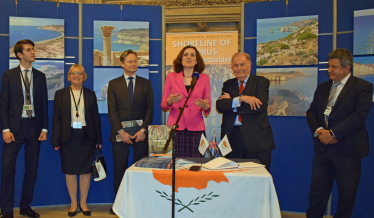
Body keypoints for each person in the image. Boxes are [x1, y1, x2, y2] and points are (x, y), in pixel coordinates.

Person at [306, 48, 373, 218]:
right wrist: (320, 131)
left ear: (347, 68)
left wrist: (333, 134)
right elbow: (311, 112)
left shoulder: (363, 87)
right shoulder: (323, 87)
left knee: (346, 196)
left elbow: (359, 116)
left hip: (348, 151)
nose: (329, 70)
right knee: (317, 194)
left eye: (334, 67)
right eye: (329, 66)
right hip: (322, 150)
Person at [0, 39, 48, 218]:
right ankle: (6, 210)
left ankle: (25, 206)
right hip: (14, 129)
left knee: (32, 169)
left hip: (34, 127)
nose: (33, 52)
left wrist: (44, 128)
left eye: (33, 49)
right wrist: (5, 129)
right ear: (20, 55)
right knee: (7, 169)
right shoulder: (9, 75)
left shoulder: (40, 76)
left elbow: (43, 105)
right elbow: (3, 104)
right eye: (29, 50)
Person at [51, 64, 102, 217]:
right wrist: (55, 140)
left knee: (86, 171)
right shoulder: (60, 94)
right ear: (69, 76)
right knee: (70, 172)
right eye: (73, 73)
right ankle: (73, 203)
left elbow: (96, 118)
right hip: (68, 137)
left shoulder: (90, 94)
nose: (76, 76)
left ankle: (83, 203)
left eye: (80, 73)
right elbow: (56, 118)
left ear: (83, 76)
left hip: (87, 137)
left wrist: (99, 139)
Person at [107, 50, 154, 215]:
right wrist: (121, 132)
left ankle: (139, 204)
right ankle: (119, 205)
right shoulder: (113, 84)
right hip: (121, 134)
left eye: (135, 61)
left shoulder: (145, 83)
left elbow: (150, 109)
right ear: (122, 63)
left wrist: (143, 130)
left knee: (140, 170)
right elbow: (112, 111)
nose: (133, 64)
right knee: (119, 169)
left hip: (140, 134)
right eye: (130, 61)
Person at [216, 52, 274, 171]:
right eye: (236, 65)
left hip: (257, 139)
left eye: (242, 65)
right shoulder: (228, 84)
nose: (239, 68)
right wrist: (242, 99)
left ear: (250, 65)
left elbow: (258, 107)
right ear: (232, 67)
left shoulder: (261, 82)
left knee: (257, 178)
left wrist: (231, 103)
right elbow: (220, 106)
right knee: (233, 179)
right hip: (232, 139)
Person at [161, 45, 211, 157]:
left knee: (197, 165)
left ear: (196, 61)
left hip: (196, 128)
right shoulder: (171, 77)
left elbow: (208, 107)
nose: (189, 57)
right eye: (186, 54)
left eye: (192, 55)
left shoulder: (204, 78)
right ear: (181, 59)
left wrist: (205, 106)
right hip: (176, 127)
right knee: (177, 165)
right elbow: (164, 105)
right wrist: (169, 101)